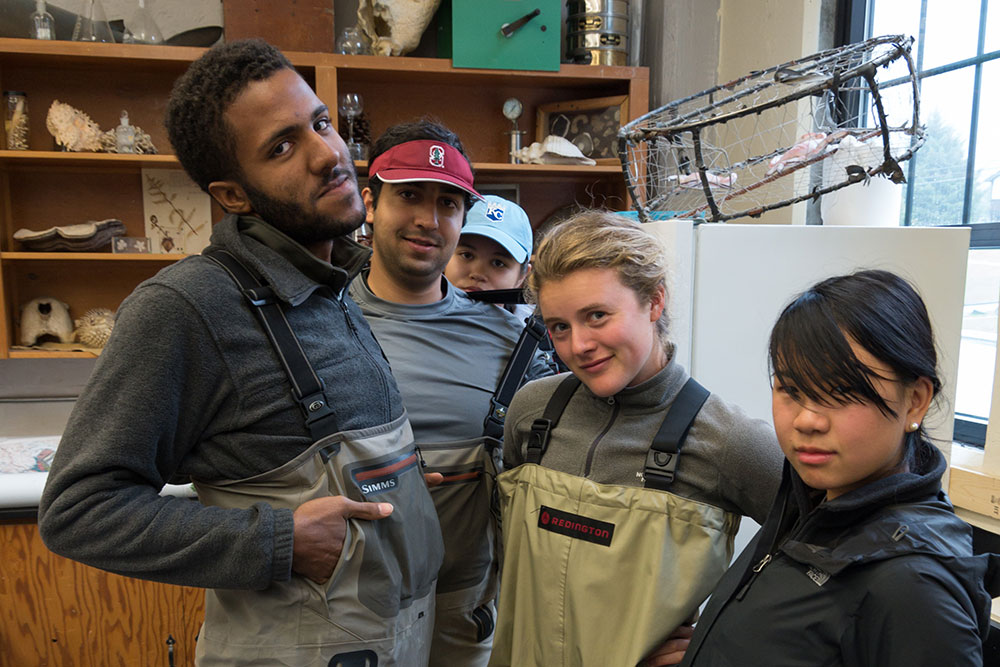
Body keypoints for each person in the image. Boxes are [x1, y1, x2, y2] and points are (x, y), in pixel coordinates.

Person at [37, 40, 443, 666]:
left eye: (321, 123)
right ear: (233, 195)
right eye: (282, 147)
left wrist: (399, 488)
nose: (328, 155)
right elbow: (78, 511)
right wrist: (281, 541)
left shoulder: (337, 283)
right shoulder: (187, 307)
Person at [489, 210, 784, 667]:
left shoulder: (728, 441)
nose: (578, 345)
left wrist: (725, 641)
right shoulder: (532, 413)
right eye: (559, 326)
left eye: (597, 316)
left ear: (654, 301)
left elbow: (830, 561)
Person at [680, 269, 1000, 667]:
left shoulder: (911, 584)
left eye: (841, 392)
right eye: (791, 390)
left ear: (915, 401)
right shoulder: (810, 506)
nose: (807, 420)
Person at [349, 120, 556, 667]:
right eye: (410, 194)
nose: (428, 219)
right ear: (370, 203)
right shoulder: (319, 321)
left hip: (464, 611)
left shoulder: (514, 340)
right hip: (347, 606)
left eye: (447, 202)